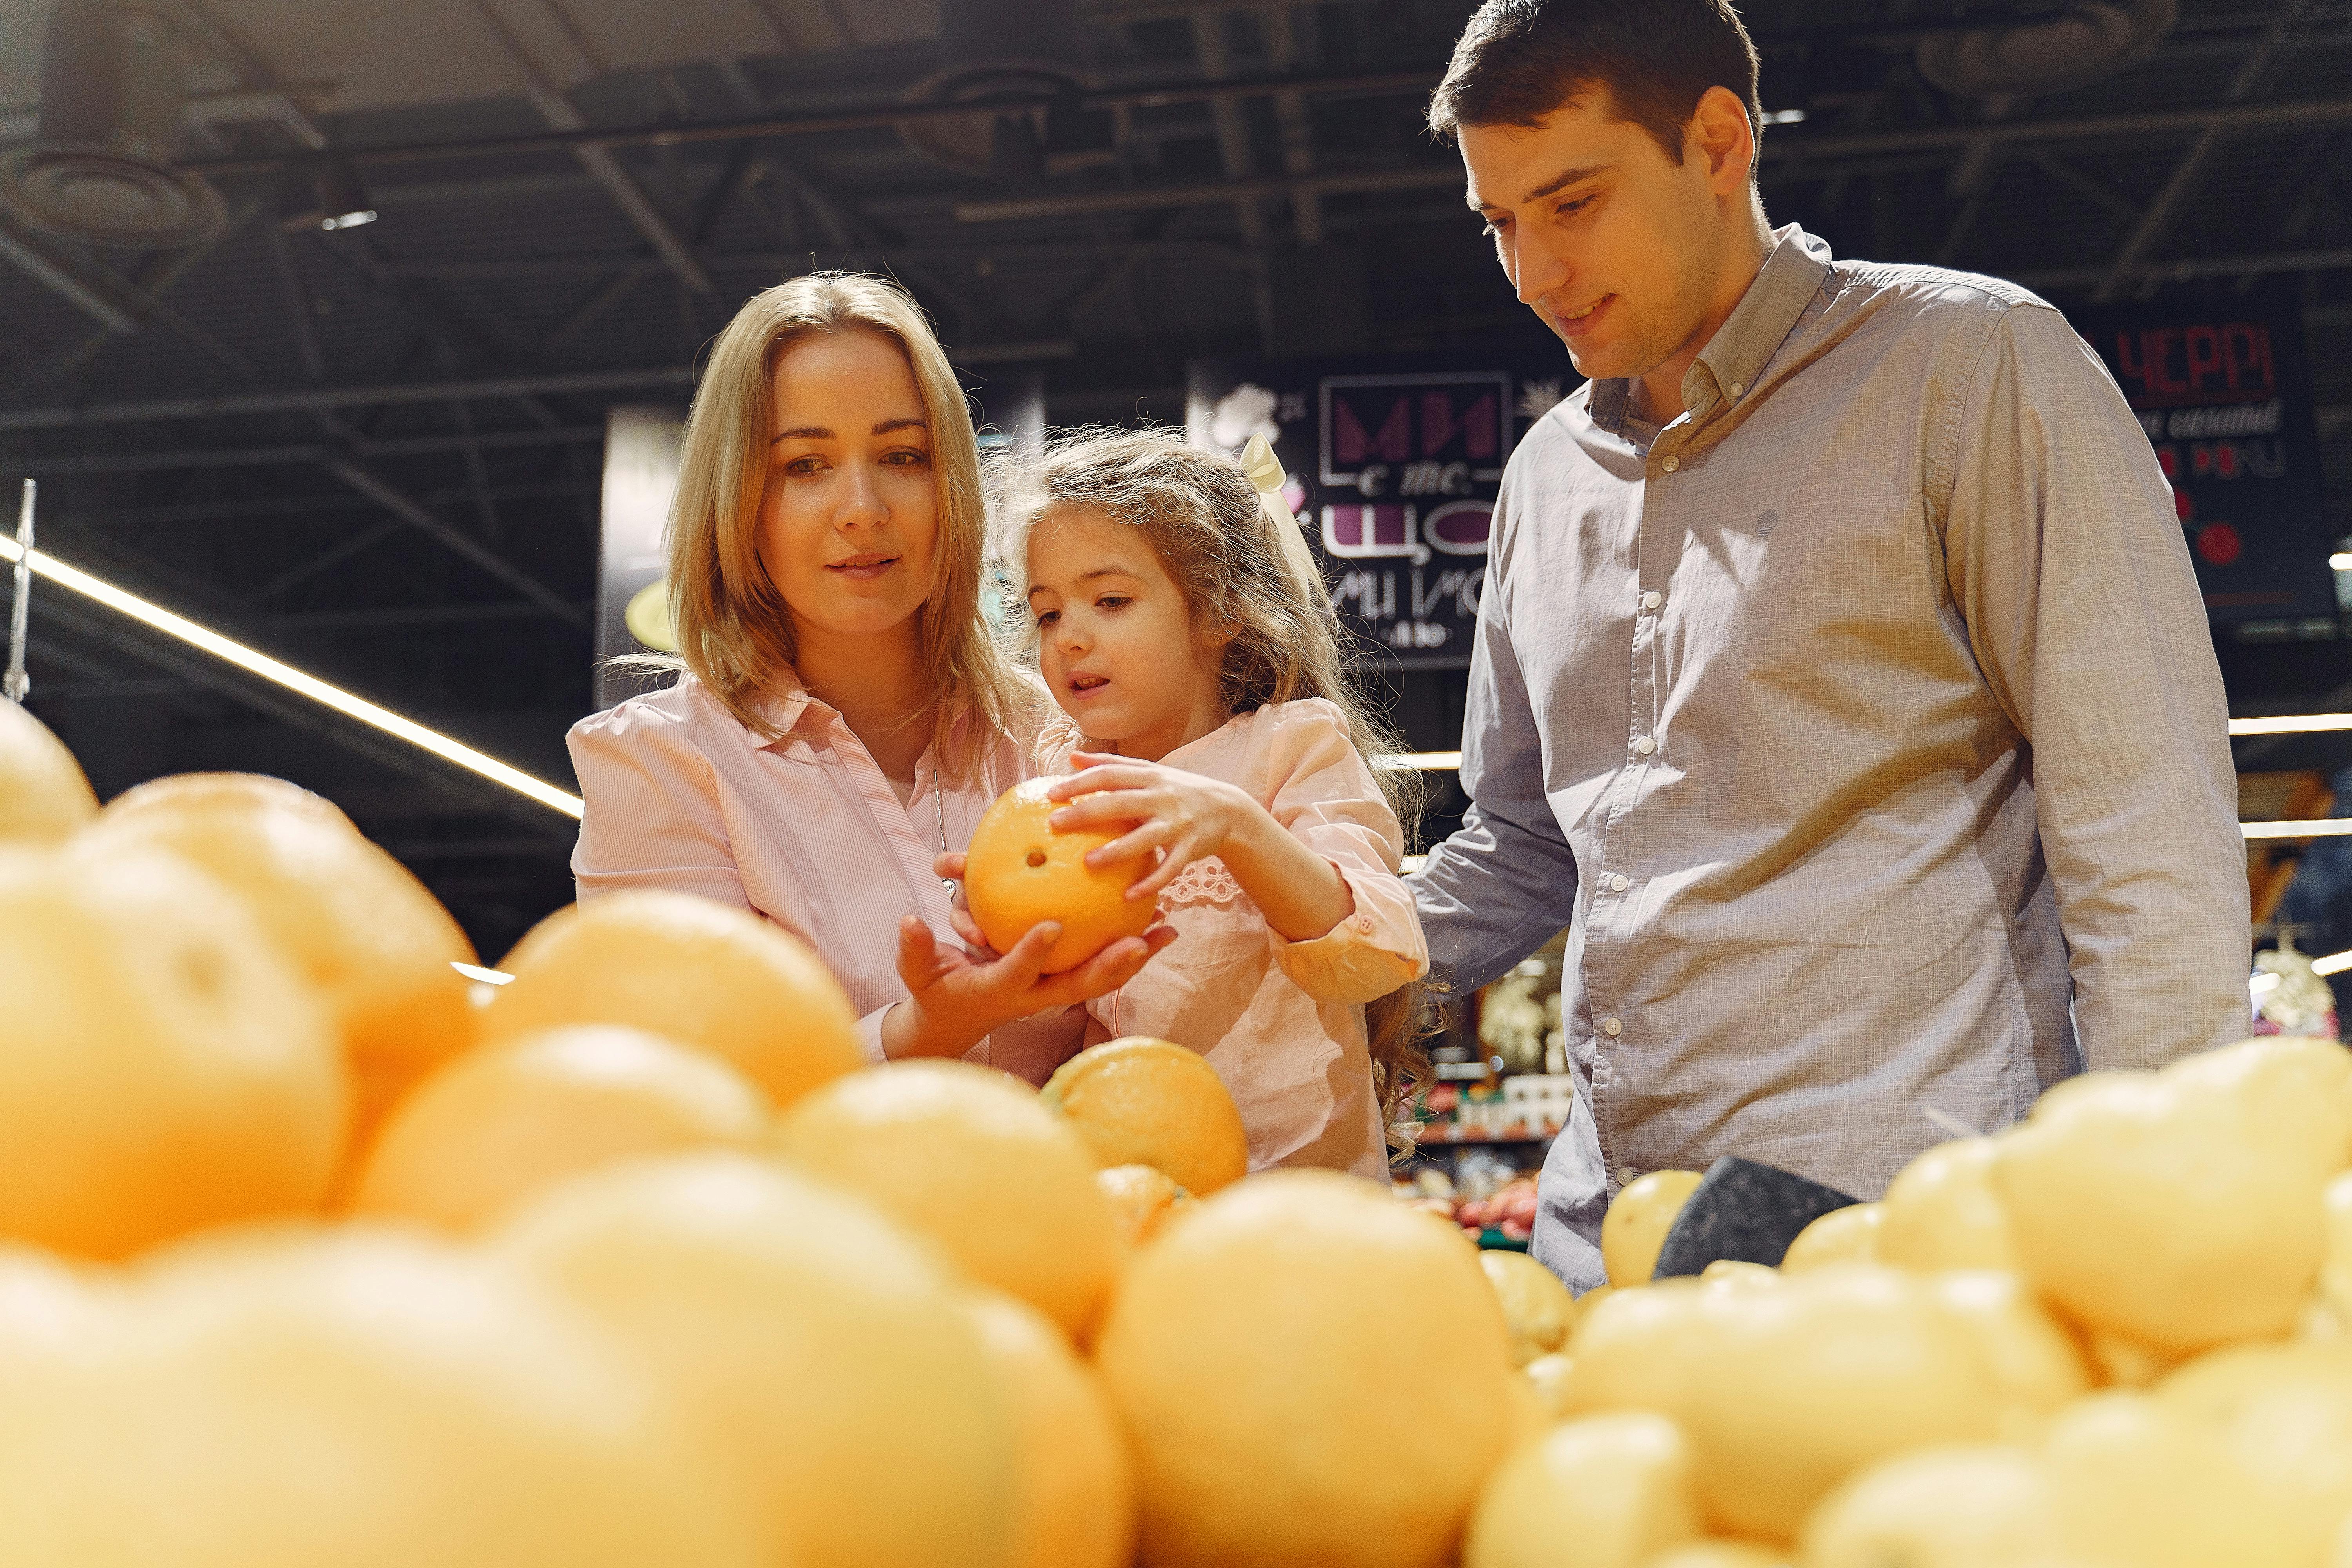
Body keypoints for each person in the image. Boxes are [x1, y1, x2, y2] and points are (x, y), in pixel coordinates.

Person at [1411, 0, 2249, 1289]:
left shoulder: (1971, 369)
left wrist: (2170, 1228)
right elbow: (1522, 840)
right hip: (1602, 1244)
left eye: (1573, 203)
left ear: (1717, 140)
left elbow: (2142, 816)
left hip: (1903, 1241)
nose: (1532, 274)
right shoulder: (1544, 476)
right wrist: (1287, 939)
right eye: (1500, 222)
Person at [568, 273, 1170, 1076]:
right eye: (805, 464)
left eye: (902, 455)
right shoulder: (657, 765)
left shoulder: (1066, 732)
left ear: (950, 481)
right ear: (738, 498)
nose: (862, 506)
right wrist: (923, 1029)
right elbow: (689, 1089)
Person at [975, 427, 1429, 1176]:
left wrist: (1236, 827)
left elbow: (1376, 955)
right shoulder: (1057, 778)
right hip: (1134, 1198)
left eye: (1111, 600)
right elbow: (1046, 1036)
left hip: (1297, 1210)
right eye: (1049, 613)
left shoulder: (1292, 751)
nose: (1070, 639)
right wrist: (1006, 941)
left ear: (1221, 613)